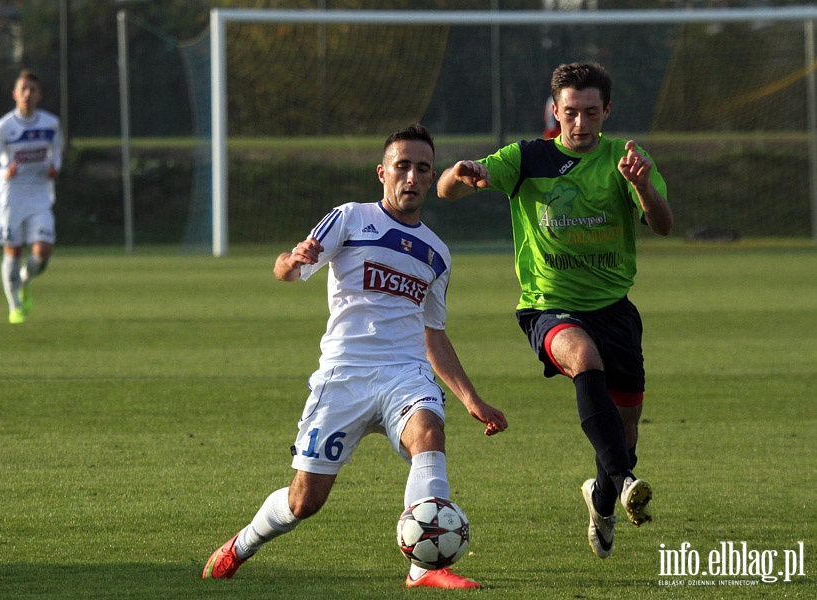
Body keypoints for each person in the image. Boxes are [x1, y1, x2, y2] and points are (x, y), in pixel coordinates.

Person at [202, 124, 508, 589]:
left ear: (430, 179)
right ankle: (242, 543)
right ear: (382, 172)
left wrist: (471, 399)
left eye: (422, 169)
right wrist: (293, 257)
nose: (411, 176)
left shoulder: (437, 254)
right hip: (343, 375)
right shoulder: (350, 218)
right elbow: (285, 270)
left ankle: (425, 567)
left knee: (428, 433)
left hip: (405, 373)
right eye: (402, 166)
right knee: (305, 502)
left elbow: (435, 336)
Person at [436, 62, 673, 560]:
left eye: (591, 112)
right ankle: (625, 480)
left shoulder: (626, 160)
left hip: (616, 310)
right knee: (583, 358)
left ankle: (603, 497)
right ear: (555, 111)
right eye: (571, 113)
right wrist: (461, 174)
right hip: (549, 305)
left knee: (625, 435)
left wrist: (645, 187)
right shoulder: (527, 157)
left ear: (607, 110)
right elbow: (447, 190)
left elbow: (663, 224)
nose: (581, 123)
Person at [0, 69, 63, 324]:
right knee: (13, 252)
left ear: (39, 94)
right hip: (11, 197)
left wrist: (54, 168)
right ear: (15, 94)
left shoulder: (50, 124)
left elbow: (57, 152)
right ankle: (14, 306)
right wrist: (3, 172)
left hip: (39, 195)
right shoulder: (4, 127)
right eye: (23, 89)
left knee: (43, 251)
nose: (27, 93)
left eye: (32, 89)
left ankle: (24, 282)